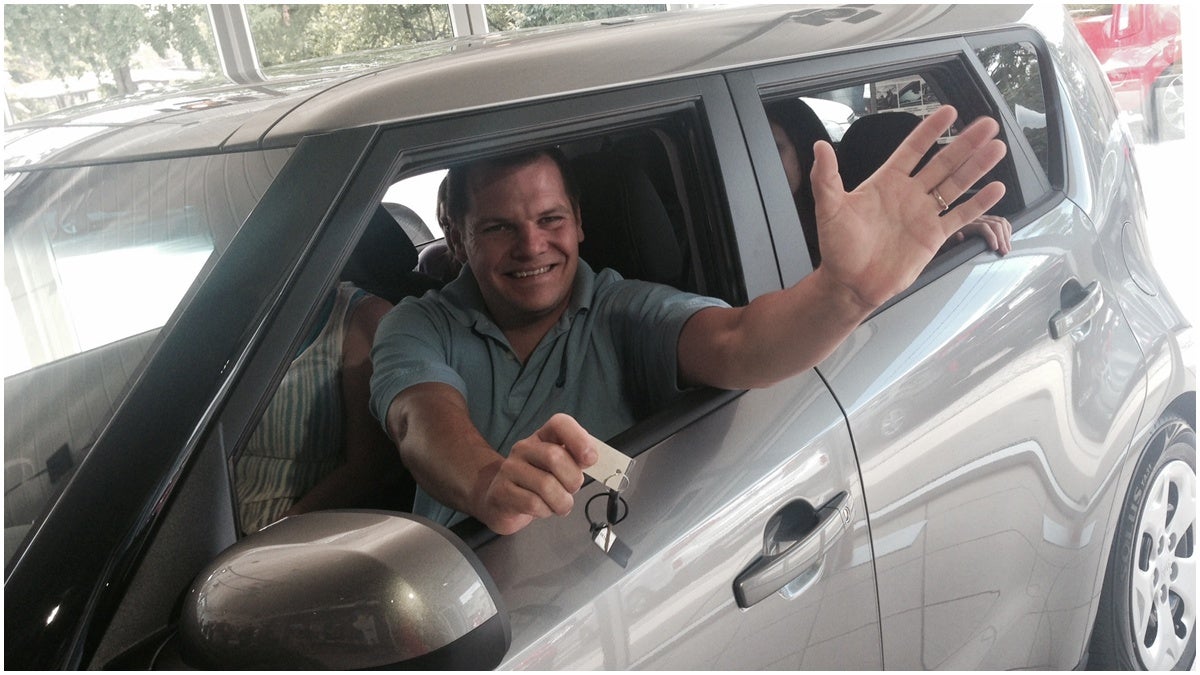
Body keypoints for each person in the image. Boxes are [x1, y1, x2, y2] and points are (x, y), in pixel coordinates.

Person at [371, 104, 1007, 535]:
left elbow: (740, 340)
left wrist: (843, 296)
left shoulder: (623, 308)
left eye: (550, 221)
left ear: (580, 222)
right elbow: (418, 420)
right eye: (499, 228)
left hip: (608, 574)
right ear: (455, 236)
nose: (533, 246)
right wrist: (489, 484)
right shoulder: (419, 324)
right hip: (463, 598)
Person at [235, 281, 399, 533]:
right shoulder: (234, 312)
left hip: (300, 539)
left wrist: (273, 536)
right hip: (215, 525)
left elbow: (369, 465)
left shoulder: (362, 318)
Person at [766, 99, 1012, 259]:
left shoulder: (854, 221)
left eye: (775, 148)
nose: (764, 161)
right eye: (754, 151)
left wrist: (946, 235)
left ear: (804, 147)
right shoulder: (752, 222)